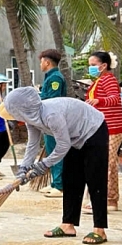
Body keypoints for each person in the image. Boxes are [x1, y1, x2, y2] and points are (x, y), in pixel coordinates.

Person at [0, 87, 110, 245]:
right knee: (70, 179)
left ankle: (100, 229)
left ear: (22, 110)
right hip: (73, 136)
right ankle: (67, 225)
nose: (14, 118)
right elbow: (32, 144)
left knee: (95, 180)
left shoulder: (51, 115)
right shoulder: (31, 118)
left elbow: (63, 145)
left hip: (93, 130)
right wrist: (23, 169)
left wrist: (42, 166)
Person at [86, 51, 122, 212]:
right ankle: (107, 197)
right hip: (102, 127)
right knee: (104, 162)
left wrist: (98, 100)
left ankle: (109, 198)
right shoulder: (99, 80)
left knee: (107, 163)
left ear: (104, 66)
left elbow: (115, 98)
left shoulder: (108, 79)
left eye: (93, 65)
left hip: (112, 127)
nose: (91, 68)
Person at [38, 49, 67, 197]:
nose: (40, 64)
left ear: (47, 62)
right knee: (51, 151)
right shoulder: (49, 77)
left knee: (56, 151)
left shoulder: (55, 78)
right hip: (48, 120)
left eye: (41, 61)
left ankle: (60, 185)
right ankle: (55, 182)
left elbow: (53, 100)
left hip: (54, 120)